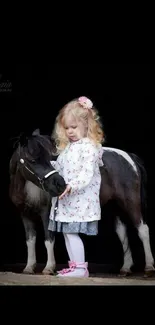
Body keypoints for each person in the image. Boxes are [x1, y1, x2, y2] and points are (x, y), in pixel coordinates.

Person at [48, 96, 105, 277]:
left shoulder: (89, 147)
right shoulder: (68, 148)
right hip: (66, 201)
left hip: (79, 201)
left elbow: (86, 174)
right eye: (66, 128)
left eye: (74, 127)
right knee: (67, 234)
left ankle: (81, 268)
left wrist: (72, 185)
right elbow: (61, 167)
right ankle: (75, 267)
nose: (70, 132)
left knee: (72, 234)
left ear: (86, 125)